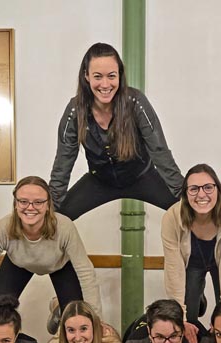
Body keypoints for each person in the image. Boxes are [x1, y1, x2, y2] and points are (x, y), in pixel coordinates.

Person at [0, 176, 101, 343]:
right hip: (18, 264)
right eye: (24, 201)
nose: (30, 207)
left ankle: (59, 306)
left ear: (48, 204)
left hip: (60, 265)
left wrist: (96, 320)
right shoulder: (3, 228)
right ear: (16, 204)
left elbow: (86, 273)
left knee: (77, 320)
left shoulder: (64, 227)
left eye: (38, 202)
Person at [49, 42, 184, 220]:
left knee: (187, 211)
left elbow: (160, 152)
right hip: (99, 181)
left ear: (119, 75)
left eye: (111, 76)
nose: (105, 84)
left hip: (143, 177)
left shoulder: (136, 102)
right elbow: (63, 163)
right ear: (86, 76)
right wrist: (50, 207)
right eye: (98, 76)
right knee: (56, 218)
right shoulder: (75, 110)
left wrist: (185, 196)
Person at [161, 163, 221, 342]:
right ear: (185, 193)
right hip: (191, 262)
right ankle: (198, 298)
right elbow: (174, 269)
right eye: (193, 189)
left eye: (208, 187)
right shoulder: (172, 218)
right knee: (188, 316)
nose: (201, 194)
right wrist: (180, 318)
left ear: (218, 190)